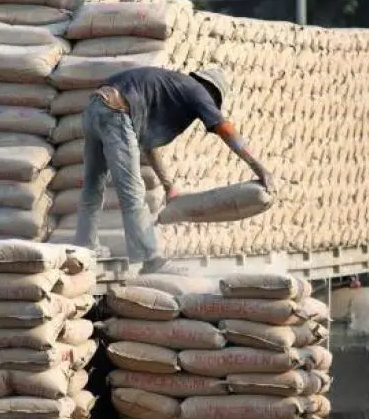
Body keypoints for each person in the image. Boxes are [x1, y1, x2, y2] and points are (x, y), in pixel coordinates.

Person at [74, 66, 272, 274]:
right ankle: (151, 259)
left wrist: (169, 186)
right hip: (116, 112)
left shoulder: (169, 87)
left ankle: (85, 244)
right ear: (213, 92)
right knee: (132, 191)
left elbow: (148, 146)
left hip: (95, 106)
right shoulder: (198, 92)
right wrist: (259, 168)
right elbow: (224, 128)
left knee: (93, 183)